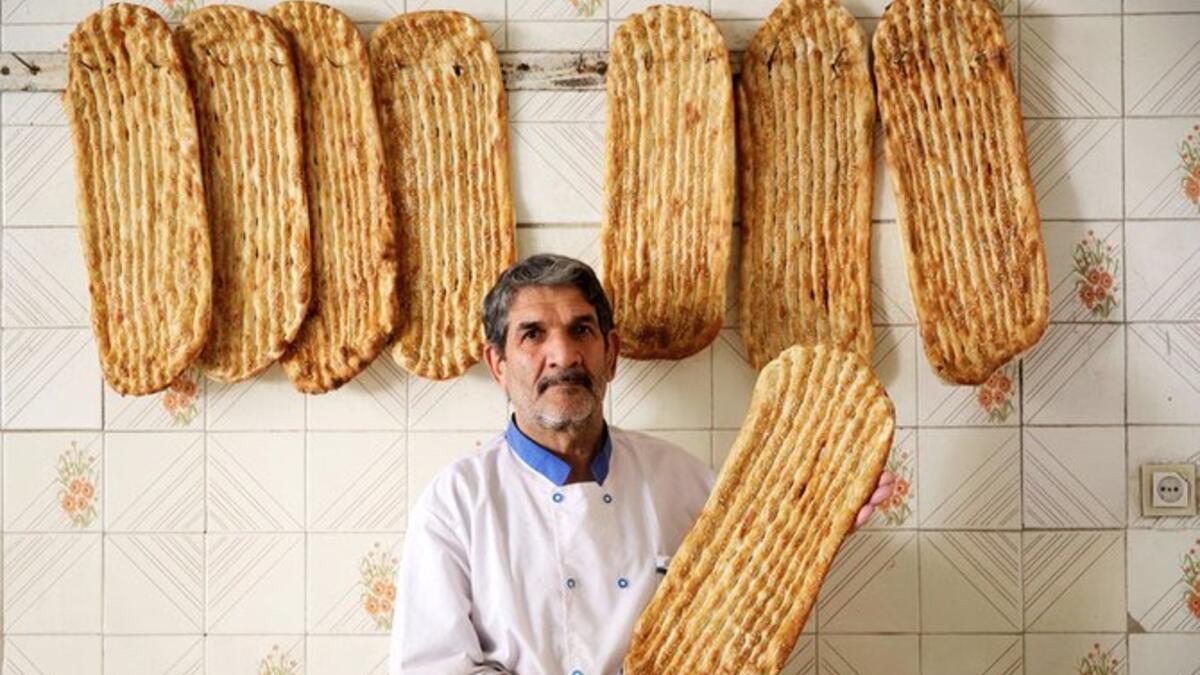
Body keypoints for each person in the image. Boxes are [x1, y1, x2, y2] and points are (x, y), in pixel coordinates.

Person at [388, 254, 895, 675]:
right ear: (498, 365)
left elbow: (744, 603)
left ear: (610, 353)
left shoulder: (685, 480)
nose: (562, 354)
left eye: (581, 329)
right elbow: (431, 667)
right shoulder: (456, 502)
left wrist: (814, 526)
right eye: (533, 335)